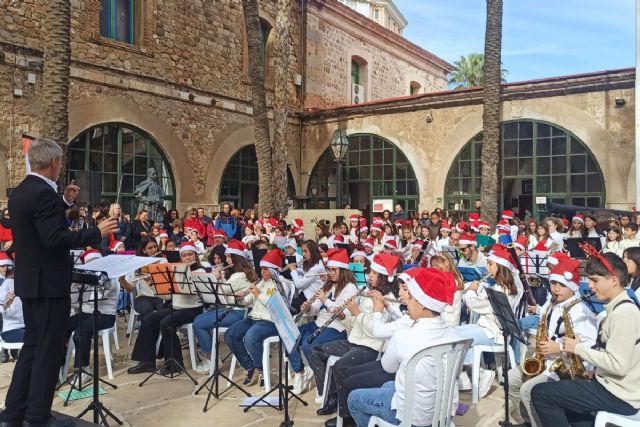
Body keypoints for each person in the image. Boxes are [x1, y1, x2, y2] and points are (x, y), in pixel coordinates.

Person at [0, 138, 117, 427]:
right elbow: (53, 238)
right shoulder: (42, 194)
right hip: (48, 285)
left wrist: (63, 202)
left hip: (30, 282)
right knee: (48, 352)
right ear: (54, 163)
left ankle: (14, 412)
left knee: (33, 347)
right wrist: (95, 233)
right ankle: (37, 416)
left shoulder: (21, 192)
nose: (60, 166)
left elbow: (39, 225)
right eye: (60, 163)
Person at [531, 251, 640, 427]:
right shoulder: (617, 309)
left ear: (613, 280)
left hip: (620, 395)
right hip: (612, 387)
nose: (589, 285)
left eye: (595, 280)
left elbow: (618, 366)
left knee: (541, 394)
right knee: (569, 405)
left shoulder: (624, 314)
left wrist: (578, 348)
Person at [347, 268, 460, 427]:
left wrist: (377, 313)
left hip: (412, 416)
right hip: (442, 412)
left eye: (411, 298)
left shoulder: (404, 337)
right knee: (388, 386)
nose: (406, 301)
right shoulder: (455, 334)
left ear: (422, 304)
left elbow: (388, 367)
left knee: (354, 398)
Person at [312, 253, 401, 424]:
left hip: (371, 346)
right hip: (354, 340)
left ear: (383, 277)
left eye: (374, 273)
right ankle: (333, 398)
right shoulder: (368, 293)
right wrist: (344, 317)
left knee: (340, 367)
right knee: (316, 350)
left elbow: (376, 331)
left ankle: (347, 417)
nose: (369, 276)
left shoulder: (389, 299)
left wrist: (356, 312)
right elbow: (355, 325)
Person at [506, 259, 597, 427]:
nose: (555, 289)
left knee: (528, 391)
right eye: (553, 283)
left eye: (561, 285)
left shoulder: (582, 312)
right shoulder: (553, 303)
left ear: (573, 286)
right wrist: (540, 312)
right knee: (511, 379)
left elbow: (589, 349)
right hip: (546, 361)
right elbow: (548, 322)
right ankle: (528, 420)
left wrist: (559, 348)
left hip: (566, 368)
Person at [127, 243, 205, 375]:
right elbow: (168, 295)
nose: (187, 258)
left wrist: (188, 275)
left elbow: (199, 294)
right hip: (176, 307)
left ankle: (175, 362)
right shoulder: (177, 270)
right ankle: (147, 362)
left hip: (192, 309)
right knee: (148, 319)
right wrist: (152, 284)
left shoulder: (200, 271)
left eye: (190, 254)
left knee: (166, 323)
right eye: (184, 255)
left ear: (196, 256)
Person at [288, 248, 359, 394]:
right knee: (289, 335)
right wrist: (307, 308)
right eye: (329, 269)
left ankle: (324, 386)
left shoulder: (350, 288)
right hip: (319, 323)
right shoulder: (327, 284)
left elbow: (342, 313)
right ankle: (301, 371)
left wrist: (325, 300)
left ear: (343, 270)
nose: (330, 273)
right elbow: (315, 309)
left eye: (334, 270)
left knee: (309, 346)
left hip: (337, 327)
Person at [456, 250, 523, 397]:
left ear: (501, 266)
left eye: (490, 264)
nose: (487, 268)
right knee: (454, 331)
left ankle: (480, 373)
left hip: (495, 333)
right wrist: (478, 289)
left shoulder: (503, 290)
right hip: (486, 327)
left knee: (458, 338)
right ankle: (468, 373)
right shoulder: (500, 286)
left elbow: (477, 305)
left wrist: (470, 291)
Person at [224, 249, 293, 387]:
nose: (262, 272)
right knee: (230, 334)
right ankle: (249, 366)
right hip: (253, 318)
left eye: (266, 269)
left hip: (271, 321)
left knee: (250, 337)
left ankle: (262, 370)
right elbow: (248, 301)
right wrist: (238, 298)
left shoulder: (282, 284)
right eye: (261, 269)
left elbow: (274, 305)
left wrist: (257, 294)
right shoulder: (261, 283)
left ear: (275, 270)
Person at [192, 240, 258, 373]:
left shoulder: (239, 275)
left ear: (236, 258)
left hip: (238, 313)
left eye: (229, 257)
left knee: (198, 324)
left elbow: (221, 291)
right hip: (232, 309)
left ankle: (212, 360)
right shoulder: (239, 273)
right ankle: (211, 354)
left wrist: (216, 278)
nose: (226, 259)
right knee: (199, 318)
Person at [65, 249, 119, 383]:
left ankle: (84, 369)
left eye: (96, 261)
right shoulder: (85, 278)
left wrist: (86, 286)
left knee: (81, 332)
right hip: (88, 312)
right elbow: (77, 302)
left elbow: (97, 298)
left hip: (105, 315)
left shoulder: (109, 277)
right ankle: (59, 364)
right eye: (90, 263)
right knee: (63, 326)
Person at [0, 260, 24, 360]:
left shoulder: (26, 284)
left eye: (8, 266)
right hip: (11, 329)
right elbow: (3, 309)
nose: (6, 269)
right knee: (35, 338)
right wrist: (7, 304)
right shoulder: (6, 284)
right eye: (3, 266)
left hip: (25, 327)